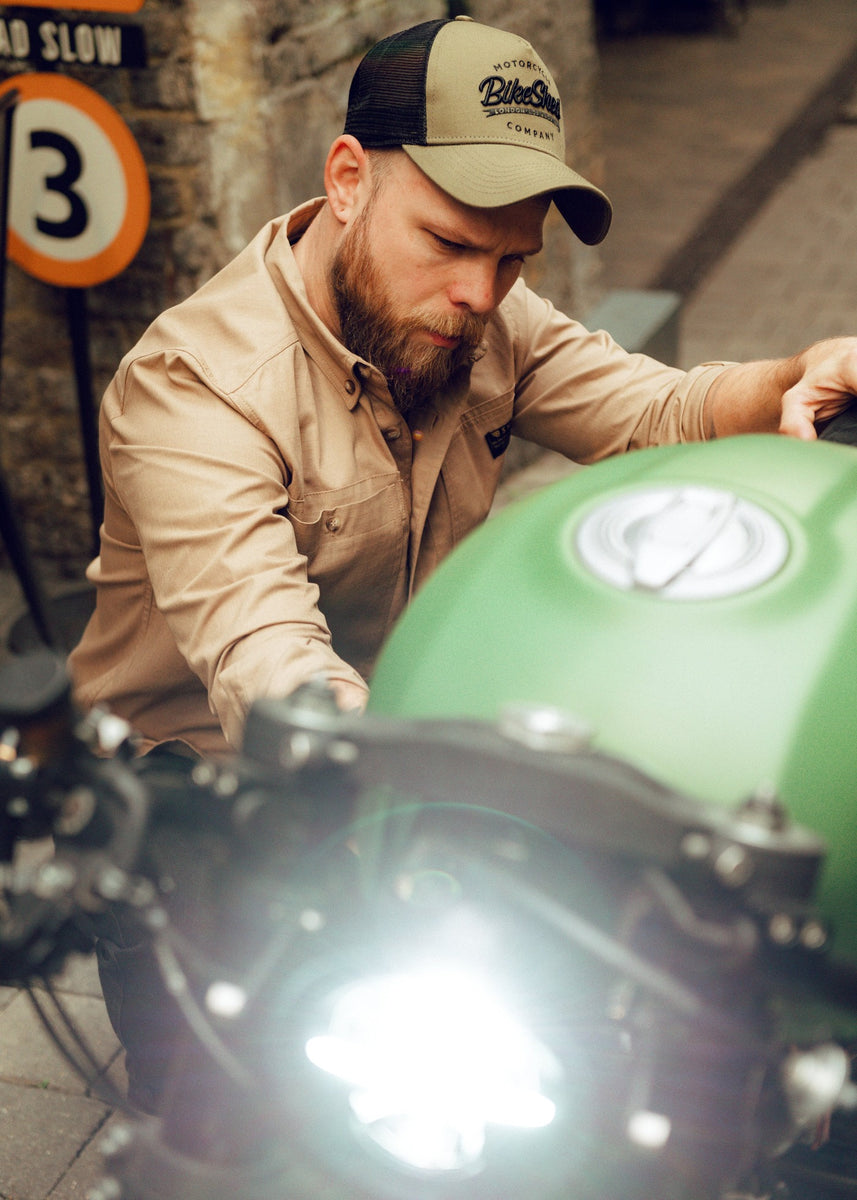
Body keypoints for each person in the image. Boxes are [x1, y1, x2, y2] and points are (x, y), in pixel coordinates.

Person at [68, 15, 857, 1113]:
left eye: (510, 258)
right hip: (197, 802)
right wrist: (452, 827)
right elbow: (266, 664)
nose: (482, 293)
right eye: (447, 243)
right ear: (346, 179)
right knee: (221, 1134)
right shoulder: (196, 389)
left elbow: (648, 410)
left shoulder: (477, 313)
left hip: (399, 744)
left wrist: (790, 377)